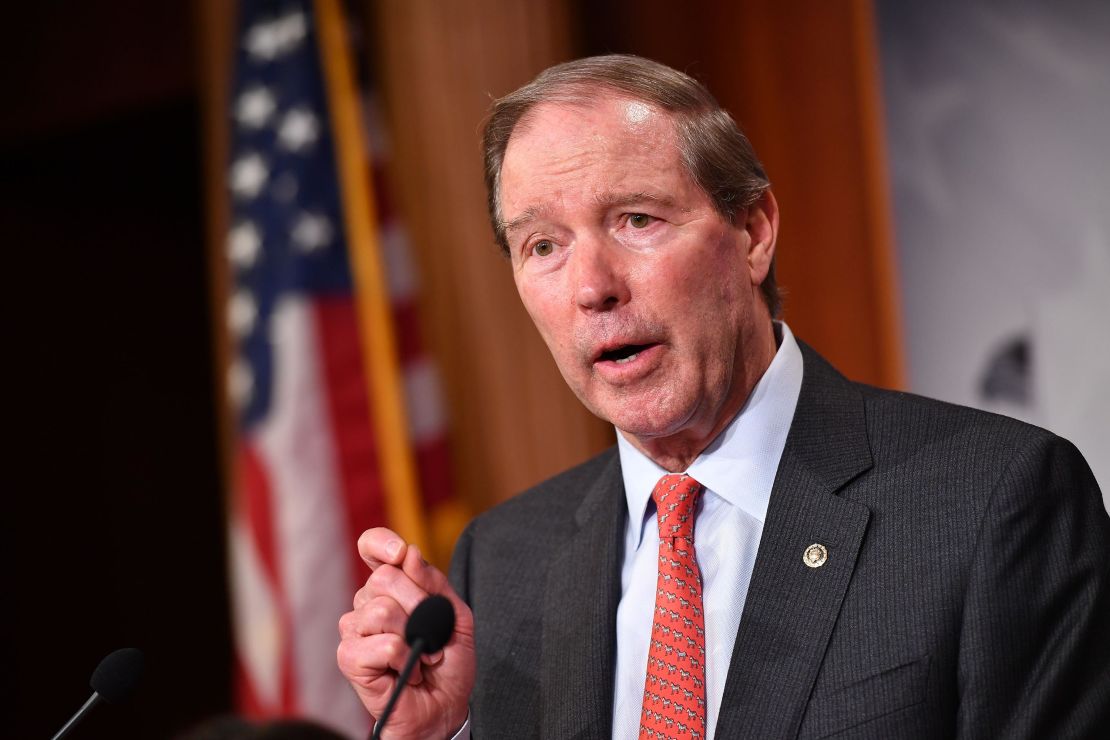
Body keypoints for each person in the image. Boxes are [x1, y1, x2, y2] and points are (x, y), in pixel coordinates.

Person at [336, 55, 1110, 739]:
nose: (592, 288)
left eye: (635, 219)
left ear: (752, 232)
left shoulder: (992, 502)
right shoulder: (504, 560)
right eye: (544, 245)